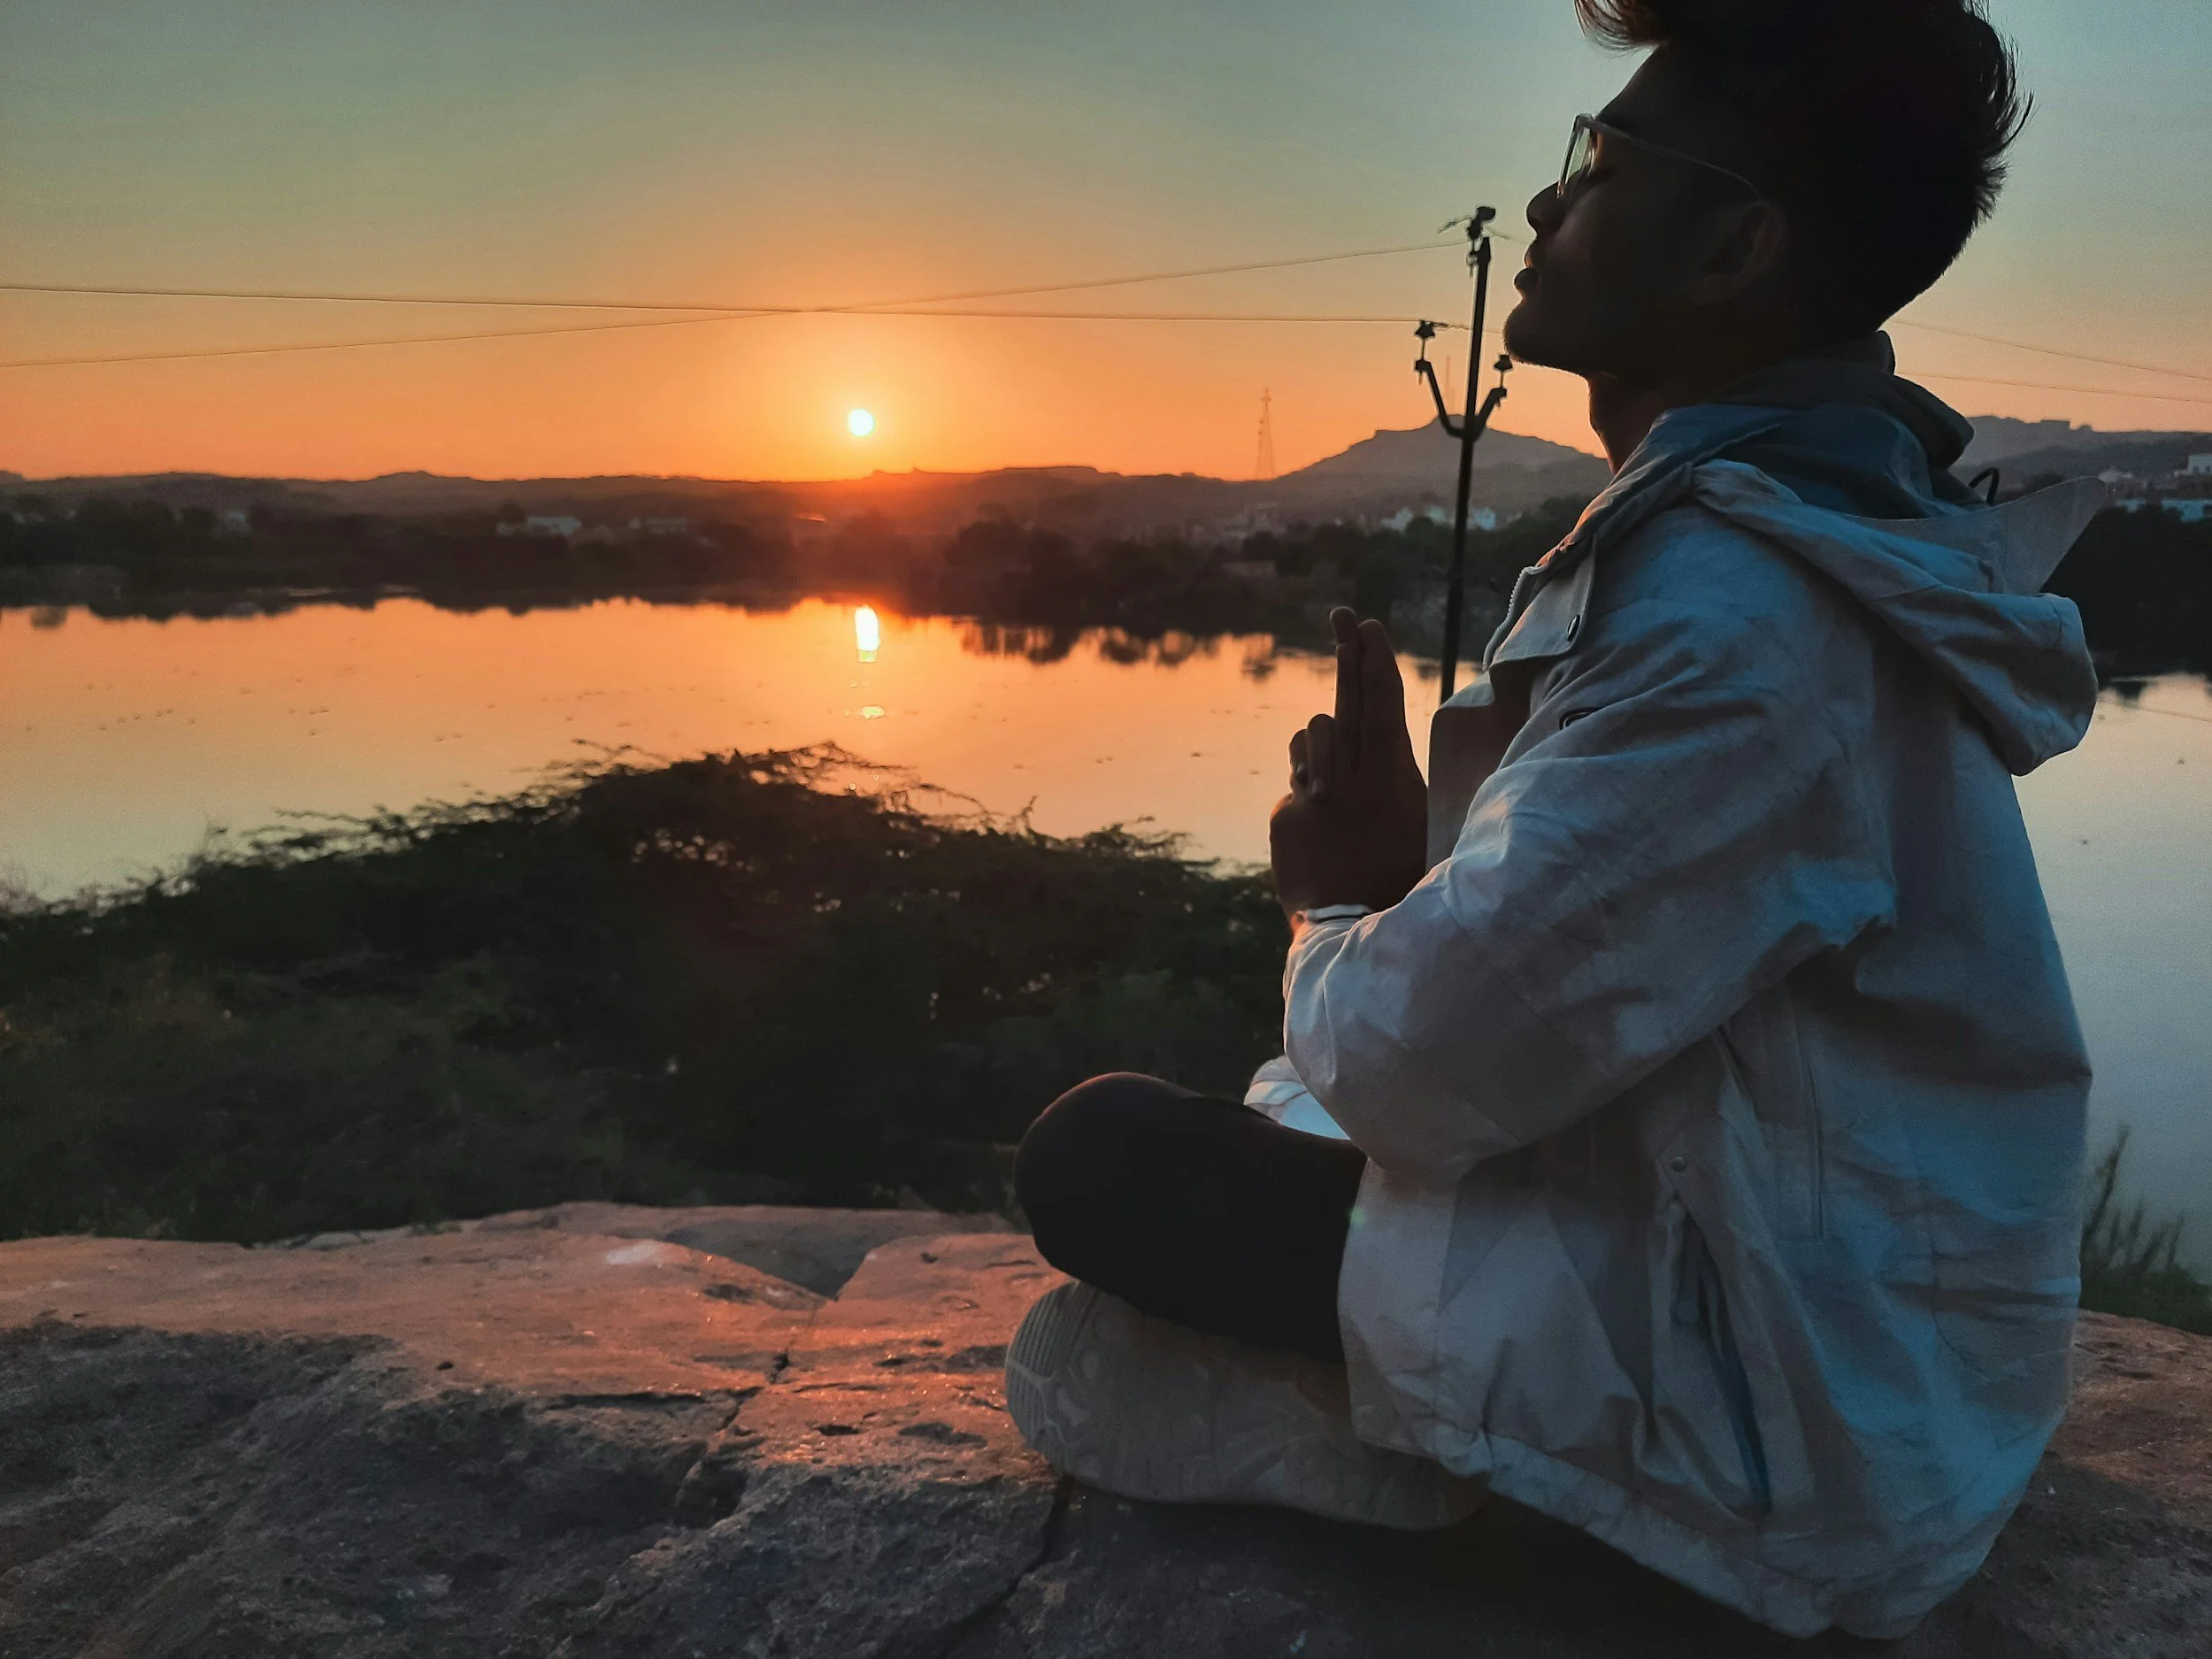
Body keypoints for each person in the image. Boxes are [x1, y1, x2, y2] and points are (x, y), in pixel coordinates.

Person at [1004, 0, 2108, 1639]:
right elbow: (1590, 987)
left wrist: (1339, 904)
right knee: (1225, 1143)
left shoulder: (1739, 620)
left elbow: (1420, 1065)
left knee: (1103, 1154)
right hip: (1799, 1292)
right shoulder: (1766, 546)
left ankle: (1530, 1508)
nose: (1545, 205)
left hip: (1795, 1413)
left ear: (1733, 245)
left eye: (1601, 160)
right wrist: (1412, 896)